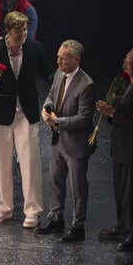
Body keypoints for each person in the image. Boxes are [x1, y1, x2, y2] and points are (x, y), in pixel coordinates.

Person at [0, 11, 52, 227]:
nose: (23, 34)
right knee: (2, 162)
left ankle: (32, 210)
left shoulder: (34, 48)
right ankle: (4, 208)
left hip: (26, 112)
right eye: (18, 31)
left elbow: (47, 74)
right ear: (8, 31)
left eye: (24, 30)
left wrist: (63, 83)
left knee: (30, 162)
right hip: (1, 113)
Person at [35, 40, 96, 241]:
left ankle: (78, 226)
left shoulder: (86, 85)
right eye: (58, 56)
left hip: (76, 143)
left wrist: (57, 121)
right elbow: (51, 95)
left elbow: (84, 118)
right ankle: (56, 217)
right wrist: (47, 108)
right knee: (55, 180)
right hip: (58, 140)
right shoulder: (59, 74)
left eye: (63, 58)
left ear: (76, 60)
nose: (58, 60)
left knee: (78, 187)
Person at [97, 48, 133, 251]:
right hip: (121, 150)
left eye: (128, 62)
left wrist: (113, 113)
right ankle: (122, 228)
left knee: (132, 196)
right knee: (121, 193)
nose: (124, 65)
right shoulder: (129, 84)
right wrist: (110, 114)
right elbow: (121, 116)